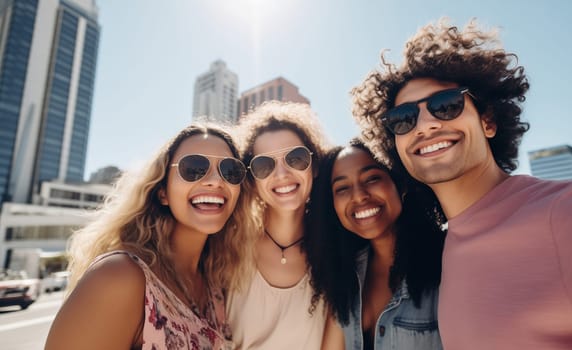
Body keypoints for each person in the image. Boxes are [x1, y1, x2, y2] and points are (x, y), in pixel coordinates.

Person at [350, 18, 572, 349]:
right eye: (403, 119)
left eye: (445, 105)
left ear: (488, 121)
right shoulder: (449, 245)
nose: (424, 125)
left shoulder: (569, 216)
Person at [45, 122, 255, 350]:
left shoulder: (216, 284)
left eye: (230, 171)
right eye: (193, 168)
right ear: (163, 191)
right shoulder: (118, 277)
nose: (216, 180)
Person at [307, 139, 445, 350]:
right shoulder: (346, 276)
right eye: (342, 188)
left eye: (372, 179)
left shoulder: (446, 260)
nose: (359, 196)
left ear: (399, 183)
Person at [227, 101, 329, 349]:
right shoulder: (227, 247)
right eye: (264, 165)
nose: (282, 174)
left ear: (314, 166)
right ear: (251, 179)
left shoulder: (336, 251)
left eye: (296, 158)